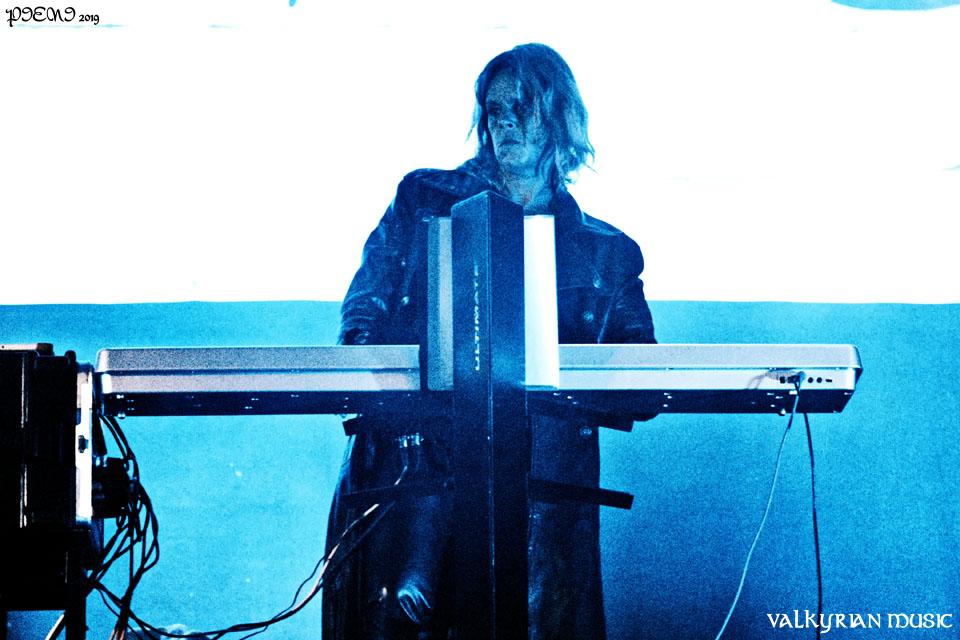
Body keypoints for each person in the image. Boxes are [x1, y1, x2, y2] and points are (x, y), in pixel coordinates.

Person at [322, 43, 656, 640]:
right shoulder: (423, 199)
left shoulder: (607, 252)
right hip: (414, 478)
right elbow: (364, 312)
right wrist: (380, 389)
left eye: (520, 107)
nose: (503, 122)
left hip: (537, 500)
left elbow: (642, 383)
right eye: (494, 110)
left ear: (559, 117)